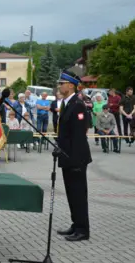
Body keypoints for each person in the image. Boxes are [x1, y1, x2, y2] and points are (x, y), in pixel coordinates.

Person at [56, 70, 92, 242]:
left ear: (70, 86)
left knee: (78, 194)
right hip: (67, 156)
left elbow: (78, 135)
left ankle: (83, 230)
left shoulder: (77, 104)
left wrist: (76, 161)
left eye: (61, 83)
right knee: (71, 193)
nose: (59, 86)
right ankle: (76, 224)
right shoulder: (68, 103)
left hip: (75, 158)